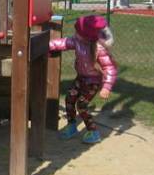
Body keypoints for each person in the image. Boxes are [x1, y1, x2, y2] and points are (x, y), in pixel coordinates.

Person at [49, 15, 117, 144]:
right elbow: (63, 43)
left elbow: (110, 68)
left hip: (93, 82)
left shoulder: (99, 48)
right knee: (69, 99)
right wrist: (47, 45)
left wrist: (106, 87)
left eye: (78, 32)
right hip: (81, 78)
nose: (75, 34)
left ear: (87, 36)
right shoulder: (77, 40)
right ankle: (72, 126)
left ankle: (93, 131)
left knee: (81, 105)